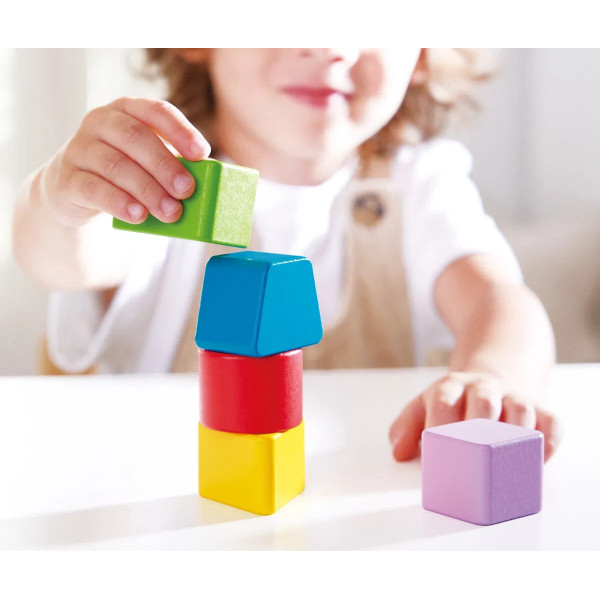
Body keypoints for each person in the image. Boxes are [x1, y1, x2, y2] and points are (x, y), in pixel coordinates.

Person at [12, 48, 561, 461]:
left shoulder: (421, 186)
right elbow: (64, 260)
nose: (328, 47)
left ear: (422, 52)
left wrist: (493, 375)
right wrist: (58, 200)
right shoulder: (163, 182)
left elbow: (501, 302)